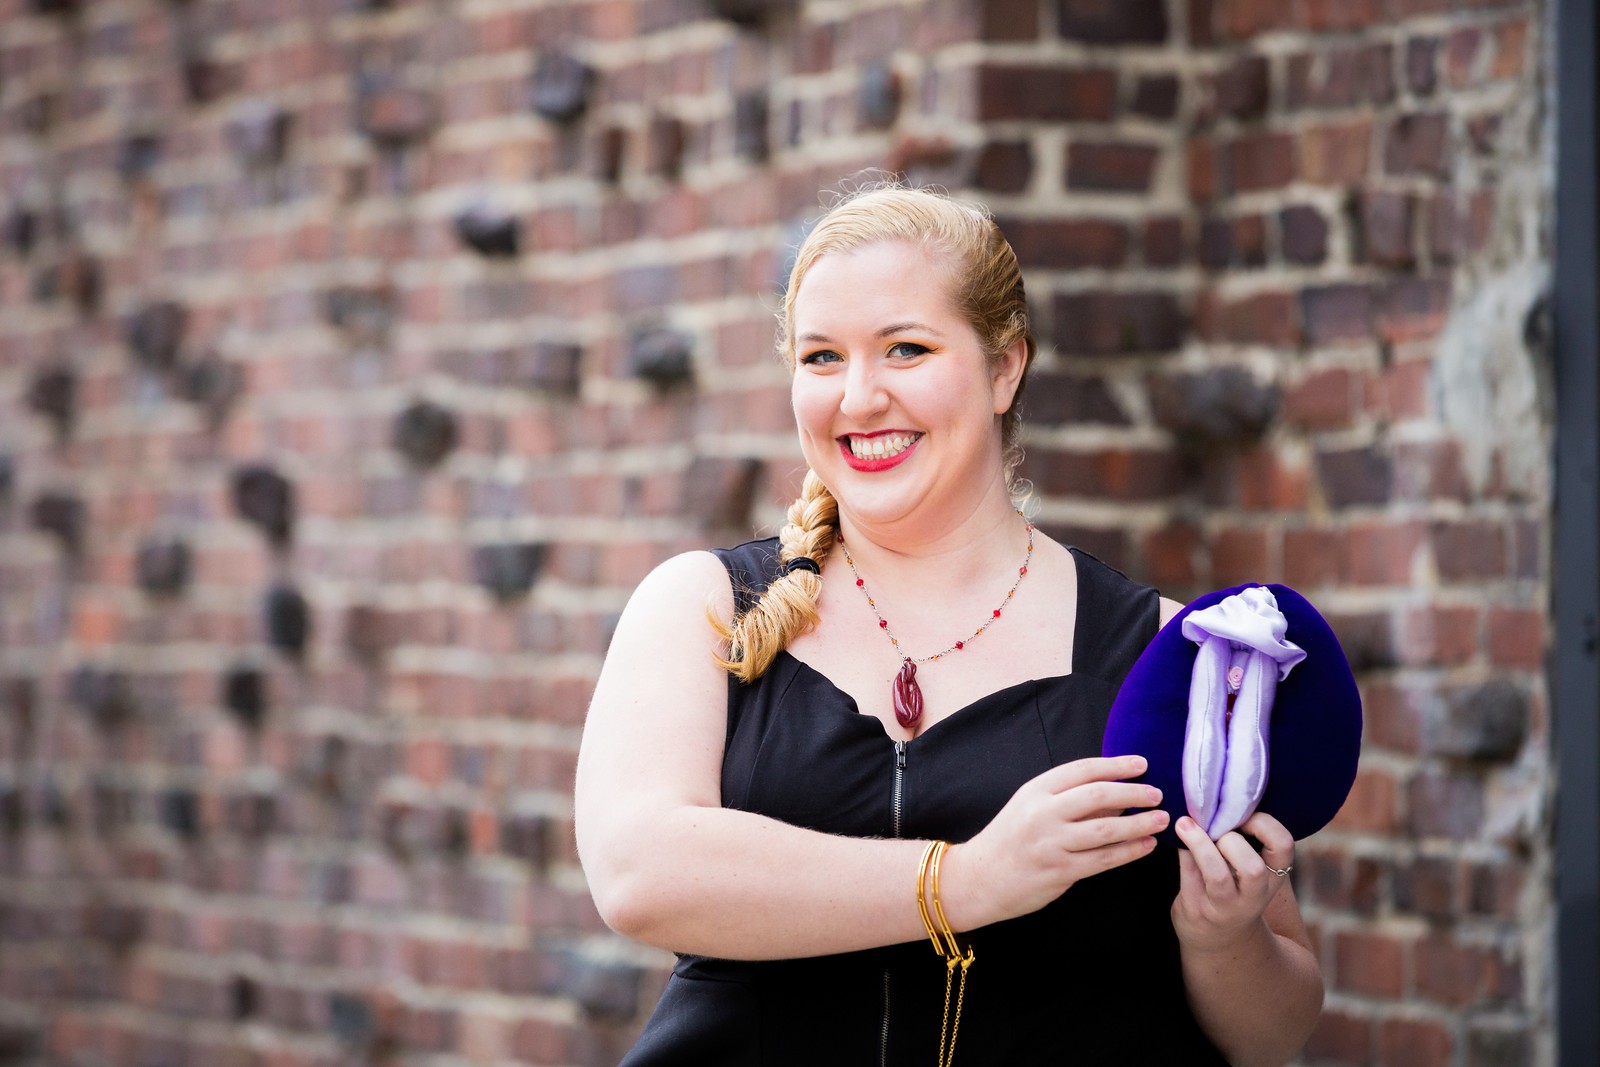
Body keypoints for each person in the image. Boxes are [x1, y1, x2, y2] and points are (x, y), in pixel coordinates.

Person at [574, 184, 1323, 1065]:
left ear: (1005, 368)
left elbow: (1274, 1034)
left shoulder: (1162, 655)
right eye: (822, 357)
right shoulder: (703, 606)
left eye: (906, 348)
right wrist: (964, 880)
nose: (859, 397)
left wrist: (1223, 936)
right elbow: (639, 872)